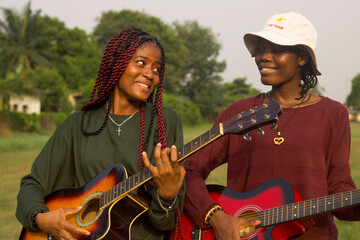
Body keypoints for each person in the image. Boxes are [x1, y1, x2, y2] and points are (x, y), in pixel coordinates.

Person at [183, 12, 360, 240]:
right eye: (260, 49)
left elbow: (339, 190)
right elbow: (189, 170)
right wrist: (215, 216)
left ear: (302, 58)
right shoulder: (239, 113)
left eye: (277, 49)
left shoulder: (333, 113)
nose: (263, 57)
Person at [16, 28, 186, 240]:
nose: (150, 75)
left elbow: (166, 222)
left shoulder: (165, 122)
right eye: (141, 63)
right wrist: (40, 219)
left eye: (157, 69)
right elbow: (33, 184)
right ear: (117, 62)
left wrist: (167, 197)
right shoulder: (77, 124)